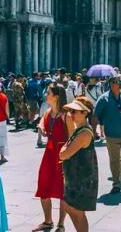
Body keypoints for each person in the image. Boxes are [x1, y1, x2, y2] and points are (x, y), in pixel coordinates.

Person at [59, 97, 98, 232]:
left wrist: (63, 150)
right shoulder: (79, 130)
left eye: (75, 111)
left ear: (85, 113)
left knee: (78, 213)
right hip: (75, 177)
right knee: (70, 208)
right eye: (70, 111)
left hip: (81, 180)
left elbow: (64, 154)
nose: (71, 114)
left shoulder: (84, 133)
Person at [34, 84, 70, 232]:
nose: (45, 95)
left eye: (48, 93)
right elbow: (42, 122)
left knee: (63, 190)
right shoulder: (48, 112)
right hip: (49, 153)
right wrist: (41, 128)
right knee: (43, 186)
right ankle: (48, 221)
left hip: (62, 154)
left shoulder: (66, 115)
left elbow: (73, 136)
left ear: (56, 96)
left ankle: (61, 224)